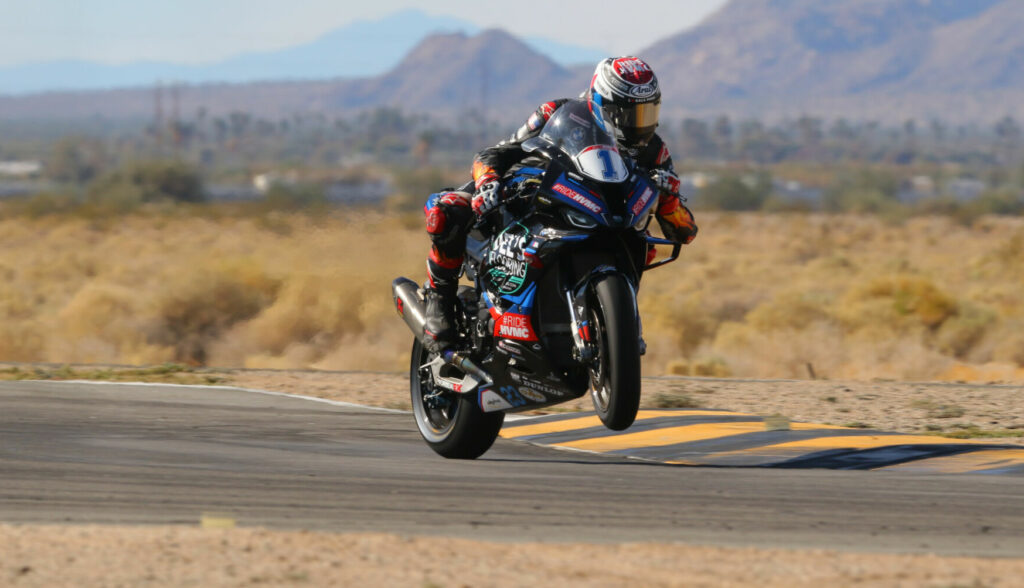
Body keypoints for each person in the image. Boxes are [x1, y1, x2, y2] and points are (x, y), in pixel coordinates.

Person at [421, 56, 698, 351]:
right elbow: (498, 153)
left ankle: (607, 324)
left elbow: (684, 230)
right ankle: (440, 303)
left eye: (647, 112)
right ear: (603, 104)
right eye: (629, 115)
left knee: (648, 247)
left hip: (607, 221)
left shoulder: (654, 149)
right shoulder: (556, 113)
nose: (640, 124)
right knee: (447, 210)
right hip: (536, 197)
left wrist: (668, 195)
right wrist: (489, 181)